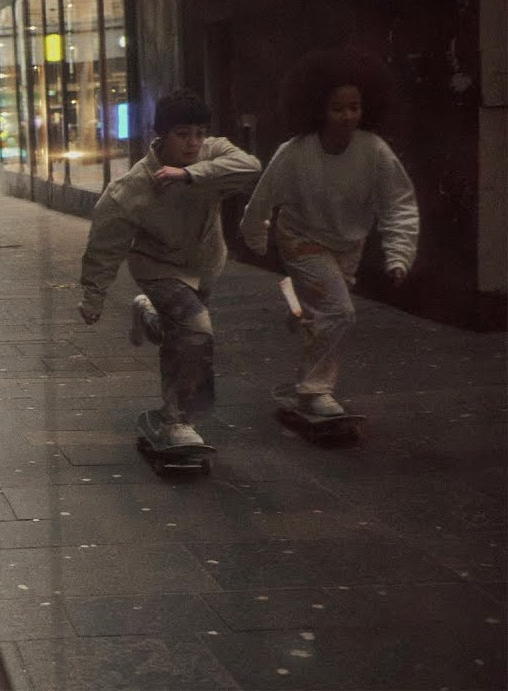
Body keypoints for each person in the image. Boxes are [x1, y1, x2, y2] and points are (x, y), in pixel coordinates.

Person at [78, 89, 261, 446]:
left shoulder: (212, 153)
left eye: (198, 133)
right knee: (196, 330)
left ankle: (148, 313)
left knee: (178, 332)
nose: (193, 143)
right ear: (162, 135)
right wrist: (93, 295)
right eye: (182, 135)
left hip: (205, 264)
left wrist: (190, 175)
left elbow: (250, 166)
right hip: (158, 268)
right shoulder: (132, 188)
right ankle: (176, 419)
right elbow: (106, 242)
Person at [241, 48, 419, 417]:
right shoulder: (295, 153)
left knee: (324, 313)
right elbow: (262, 200)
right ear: (317, 107)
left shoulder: (375, 151)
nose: (348, 116)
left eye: (355, 107)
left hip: (348, 244)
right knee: (340, 313)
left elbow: (398, 204)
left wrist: (399, 255)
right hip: (301, 238)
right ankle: (314, 391)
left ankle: (302, 310)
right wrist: (255, 237)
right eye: (337, 108)